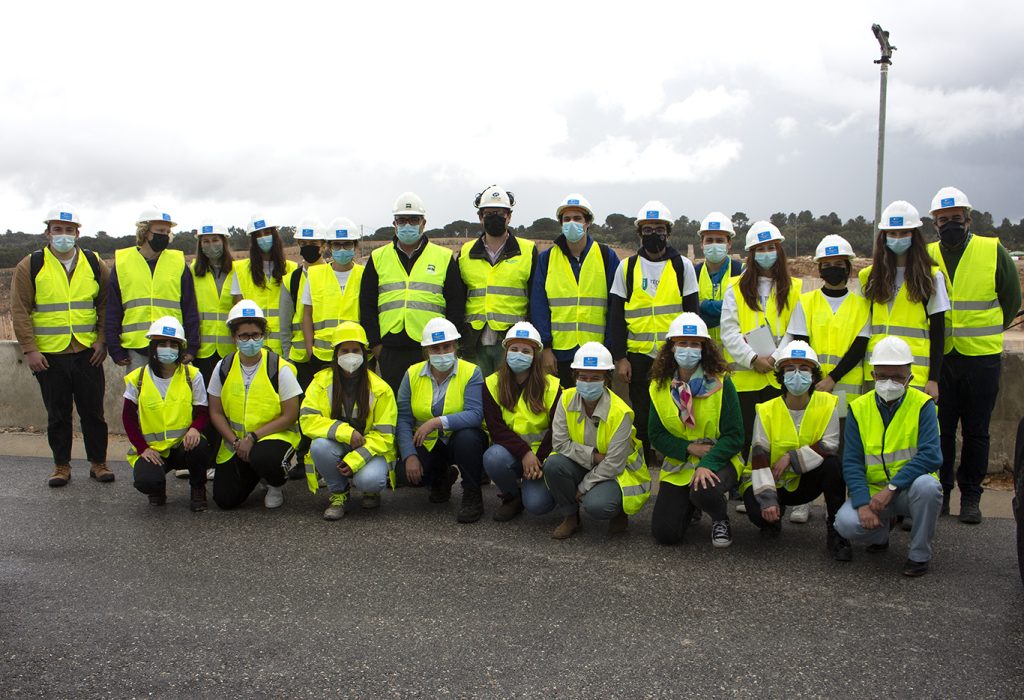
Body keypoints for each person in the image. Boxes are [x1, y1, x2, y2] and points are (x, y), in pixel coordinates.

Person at [926, 186, 1022, 523]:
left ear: (968, 220)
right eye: (943, 220)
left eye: (956, 218)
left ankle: (971, 497)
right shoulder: (928, 255)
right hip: (941, 360)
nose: (950, 224)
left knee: (977, 432)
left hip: (982, 359)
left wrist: (990, 328)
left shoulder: (992, 250)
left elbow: (1011, 299)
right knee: (941, 431)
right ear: (935, 224)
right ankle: (941, 493)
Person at [11, 204, 112, 487]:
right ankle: (61, 466)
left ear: (78, 233)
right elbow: (19, 309)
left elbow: (106, 304)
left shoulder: (94, 263)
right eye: (58, 229)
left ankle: (98, 463)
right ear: (48, 233)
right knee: (57, 413)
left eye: (69, 230)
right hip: (49, 355)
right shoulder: (31, 265)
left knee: (93, 412)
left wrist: (102, 340)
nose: (63, 235)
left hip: (87, 352)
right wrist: (30, 349)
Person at [835, 336, 944, 577]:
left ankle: (919, 555)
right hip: (874, 492)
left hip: (908, 491)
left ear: (910, 378)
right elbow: (852, 461)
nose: (889, 383)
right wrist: (862, 503)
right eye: (883, 376)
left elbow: (931, 455)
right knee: (845, 523)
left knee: (929, 487)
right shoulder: (859, 408)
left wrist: (893, 488)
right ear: (873, 376)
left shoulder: (923, 405)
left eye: (897, 377)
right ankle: (881, 533)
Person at [783, 234, 869, 524]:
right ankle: (804, 501)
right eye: (827, 264)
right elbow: (801, 342)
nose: (833, 269)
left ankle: (841, 505)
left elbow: (859, 347)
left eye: (839, 264)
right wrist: (814, 379)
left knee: (843, 452)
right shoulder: (806, 302)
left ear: (849, 267)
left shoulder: (861, 305)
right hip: (812, 388)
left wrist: (832, 377)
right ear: (819, 268)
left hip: (847, 391)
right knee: (809, 442)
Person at [738, 341, 851, 561]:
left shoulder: (829, 404)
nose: (797, 374)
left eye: (804, 368)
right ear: (781, 375)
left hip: (806, 480)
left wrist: (791, 457)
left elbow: (830, 444)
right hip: (773, 480)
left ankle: (837, 532)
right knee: (760, 513)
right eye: (790, 369)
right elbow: (759, 457)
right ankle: (773, 516)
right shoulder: (766, 410)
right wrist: (768, 500)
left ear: (813, 375)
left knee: (833, 466)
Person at [608, 201, 699, 465]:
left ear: (668, 232)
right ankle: (646, 455)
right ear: (639, 233)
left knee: (675, 406)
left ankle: (673, 453)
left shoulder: (682, 266)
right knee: (642, 409)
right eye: (647, 229)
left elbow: (692, 314)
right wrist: (620, 357)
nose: (653, 234)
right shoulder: (627, 268)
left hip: (674, 355)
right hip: (638, 355)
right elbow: (616, 317)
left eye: (659, 229)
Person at [648, 313, 743, 548]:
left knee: (705, 491)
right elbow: (656, 434)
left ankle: (720, 518)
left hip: (719, 460)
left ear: (704, 348)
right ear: (672, 346)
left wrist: (706, 463)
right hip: (681, 465)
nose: (688, 349)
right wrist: (689, 448)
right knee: (665, 534)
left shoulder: (722, 383)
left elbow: (735, 435)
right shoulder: (659, 387)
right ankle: (693, 507)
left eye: (695, 344)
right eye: (682, 343)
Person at [360, 192, 467, 392]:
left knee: (429, 401)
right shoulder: (378, 257)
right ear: (394, 224)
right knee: (395, 404)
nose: (407, 225)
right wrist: (376, 346)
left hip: (431, 348)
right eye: (402, 220)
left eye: (413, 220)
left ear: (423, 223)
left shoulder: (443, 257)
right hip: (390, 349)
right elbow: (367, 304)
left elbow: (456, 304)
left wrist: (449, 345)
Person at [543, 342, 651, 539]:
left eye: (595, 378)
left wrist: (583, 486)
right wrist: (593, 456)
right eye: (583, 377)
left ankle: (619, 512)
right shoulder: (565, 399)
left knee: (597, 505)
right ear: (575, 378)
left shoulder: (621, 412)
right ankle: (571, 517)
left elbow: (614, 463)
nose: (588, 382)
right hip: (586, 462)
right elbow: (559, 443)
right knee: (553, 464)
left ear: (606, 380)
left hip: (617, 472)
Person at [207, 301, 301, 510]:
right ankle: (256, 473)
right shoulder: (223, 366)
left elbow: (290, 415)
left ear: (263, 335)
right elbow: (215, 411)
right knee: (225, 499)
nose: (250, 340)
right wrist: (236, 442)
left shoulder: (279, 367)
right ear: (234, 337)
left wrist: (253, 438)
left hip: (272, 440)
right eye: (244, 336)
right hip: (236, 444)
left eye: (256, 335)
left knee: (265, 457)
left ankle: (275, 484)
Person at [720, 221, 803, 459]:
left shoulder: (794, 288)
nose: (766, 253)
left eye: (771, 247)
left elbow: (794, 330)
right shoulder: (735, 288)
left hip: (778, 376)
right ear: (752, 254)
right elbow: (729, 331)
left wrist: (776, 358)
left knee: (775, 435)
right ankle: (745, 477)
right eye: (761, 249)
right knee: (744, 436)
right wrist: (753, 359)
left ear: (779, 250)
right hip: (745, 379)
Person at [301, 322, 397, 521]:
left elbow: (385, 436)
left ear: (364, 353)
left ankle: (370, 491)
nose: (350, 355)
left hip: (370, 448)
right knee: (319, 446)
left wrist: (355, 459)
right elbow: (308, 420)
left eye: (355, 350)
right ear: (336, 354)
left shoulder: (381, 388)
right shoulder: (320, 382)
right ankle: (339, 494)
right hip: (338, 444)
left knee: (369, 480)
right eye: (344, 351)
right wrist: (347, 432)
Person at [395, 318, 487, 523]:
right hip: (428, 443)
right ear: (426, 350)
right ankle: (441, 478)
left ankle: (472, 495)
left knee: (468, 438)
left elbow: (475, 414)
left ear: (456, 346)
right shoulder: (412, 373)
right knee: (403, 473)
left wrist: (435, 422)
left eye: (447, 346)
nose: (442, 352)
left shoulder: (471, 372)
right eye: (435, 348)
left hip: (459, 441)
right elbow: (403, 419)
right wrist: (409, 455)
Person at [860, 200, 947, 400]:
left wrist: (934, 379)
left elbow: (938, 331)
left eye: (904, 233)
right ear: (884, 237)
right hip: (877, 372)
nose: (897, 238)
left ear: (914, 235)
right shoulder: (869, 276)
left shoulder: (931, 277)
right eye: (892, 233)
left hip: (913, 374)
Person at [530, 194, 619, 388]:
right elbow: (539, 305)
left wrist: (610, 348)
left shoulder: (606, 256)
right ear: (561, 224)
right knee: (561, 403)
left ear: (588, 222)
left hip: (597, 352)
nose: (572, 223)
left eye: (577, 218)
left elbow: (616, 306)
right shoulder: (547, 258)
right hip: (558, 353)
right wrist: (546, 348)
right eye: (567, 219)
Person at [122, 318, 210, 511]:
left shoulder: (192, 375)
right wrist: (143, 448)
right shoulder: (138, 378)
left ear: (180, 348)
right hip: (153, 450)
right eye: (162, 344)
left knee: (200, 447)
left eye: (173, 344)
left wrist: (195, 428)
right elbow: (128, 417)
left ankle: (198, 488)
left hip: (183, 446)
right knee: (146, 481)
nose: (168, 348)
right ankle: (157, 486)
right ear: (153, 347)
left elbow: (203, 411)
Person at [482, 322, 560, 521]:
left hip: (543, 457)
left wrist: (537, 462)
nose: (519, 354)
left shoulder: (552, 386)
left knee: (538, 505)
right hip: (511, 453)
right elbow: (496, 429)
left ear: (535, 355)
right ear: (506, 352)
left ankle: (546, 489)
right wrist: (525, 453)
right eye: (514, 349)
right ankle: (512, 497)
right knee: (492, 457)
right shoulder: (492, 383)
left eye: (526, 351)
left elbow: (557, 430)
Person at [106, 207, 200, 372]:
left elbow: (189, 307)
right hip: (136, 349)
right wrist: (114, 348)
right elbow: (113, 309)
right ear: (145, 232)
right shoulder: (123, 263)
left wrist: (192, 346)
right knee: (138, 389)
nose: (165, 236)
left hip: (171, 346)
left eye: (168, 232)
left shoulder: (178, 263)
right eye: (160, 231)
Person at [458, 185, 537, 377]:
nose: (495, 217)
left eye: (500, 213)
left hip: (512, 341)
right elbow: (457, 298)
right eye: (489, 213)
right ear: (480, 217)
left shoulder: (528, 251)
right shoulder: (465, 252)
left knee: (508, 391)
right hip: (474, 342)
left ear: (509, 216)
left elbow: (536, 299)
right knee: (477, 391)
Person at [190, 220, 236, 479]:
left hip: (230, 349)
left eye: (215, 240)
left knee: (228, 405)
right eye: (205, 241)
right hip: (205, 350)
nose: (210, 245)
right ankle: (206, 459)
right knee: (206, 406)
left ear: (224, 242)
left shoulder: (237, 271)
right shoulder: (192, 272)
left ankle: (226, 457)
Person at [230, 214, 297, 356]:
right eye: (258, 235)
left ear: (275, 235)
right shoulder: (241, 270)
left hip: (285, 347)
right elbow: (239, 311)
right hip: (253, 346)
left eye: (267, 233)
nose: (263, 238)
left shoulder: (292, 269)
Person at [694, 212, 744, 348]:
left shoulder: (741, 272)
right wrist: (727, 309)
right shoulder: (693, 273)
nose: (714, 245)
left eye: (720, 240)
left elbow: (742, 308)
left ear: (729, 244)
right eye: (709, 240)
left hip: (735, 352)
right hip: (704, 351)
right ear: (702, 244)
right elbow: (692, 312)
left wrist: (704, 305)